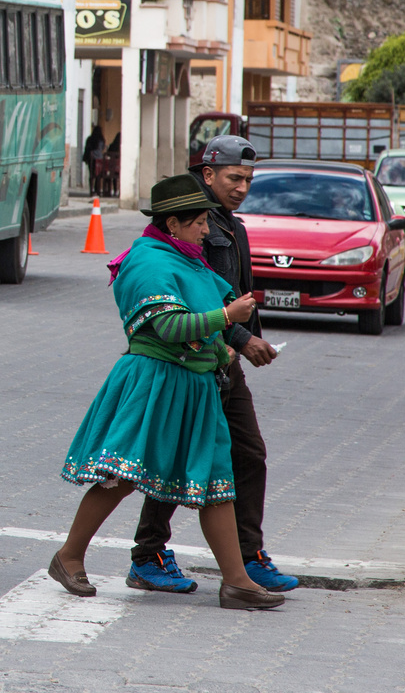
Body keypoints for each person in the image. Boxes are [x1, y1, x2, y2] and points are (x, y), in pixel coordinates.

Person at [53, 173, 285, 610]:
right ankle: (68, 556)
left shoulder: (188, 259)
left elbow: (206, 326)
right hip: (155, 382)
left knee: (216, 483)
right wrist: (225, 316)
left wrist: (229, 350)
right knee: (121, 476)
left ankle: (236, 581)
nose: (206, 230)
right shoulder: (150, 262)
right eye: (198, 222)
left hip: (195, 388)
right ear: (172, 224)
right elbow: (169, 326)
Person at [125, 136, 299, 594]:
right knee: (175, 461)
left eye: (247, 179)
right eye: (233, 178)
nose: (242, 187)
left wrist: (247, 340)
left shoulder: (230, 227)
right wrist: (242, 340)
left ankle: (243, 559)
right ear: (207, 175)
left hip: (224, 365)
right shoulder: (190, 232)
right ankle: (152, 554)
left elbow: (235, 294)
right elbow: (195, 304)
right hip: (198, 363)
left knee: (243, 455)